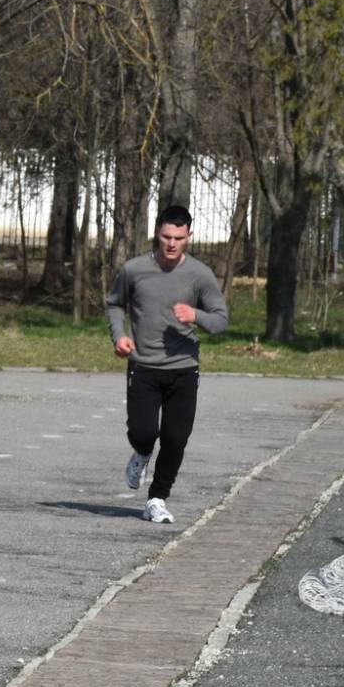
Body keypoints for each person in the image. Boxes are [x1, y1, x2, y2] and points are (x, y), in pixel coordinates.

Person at [108, 204, 229, 524]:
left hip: (184, 368)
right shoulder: (134, 270)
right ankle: (141, 453)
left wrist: (196, 315)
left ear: (189, 236)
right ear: (157, 233)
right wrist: (119, 336)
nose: (172, 243)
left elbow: (220, 320)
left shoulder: (200, 275)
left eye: (179, 238)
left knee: (176, 439)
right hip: (144, 366)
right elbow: (115, 304)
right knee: (143, 433)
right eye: (166, 237)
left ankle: (157, 498)